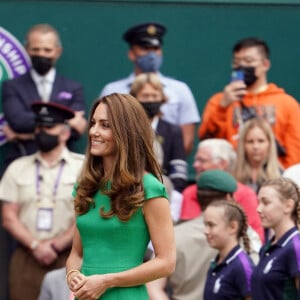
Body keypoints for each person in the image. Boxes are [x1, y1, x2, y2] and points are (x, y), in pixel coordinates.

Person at [65, 93, 176, 299]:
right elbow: (76, 254)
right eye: (93, 123)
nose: (94, 132)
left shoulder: (150, 188)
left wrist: (107, 280)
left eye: (105, 125)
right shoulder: (85, 186)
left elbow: (167, 262)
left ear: (126, 132)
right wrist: (72, 274)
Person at [0, 101, 84, 300]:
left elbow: (87, 214)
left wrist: (56, 246)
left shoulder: (84, 167)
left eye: (48, 127)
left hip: (70, 257)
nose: (41, 132)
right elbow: (8, 217)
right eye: (38, 127)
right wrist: (36, 246)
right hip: (27, 256)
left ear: (64, 133)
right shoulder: (17, 167)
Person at [151, 169, 260, 300]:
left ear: (197, 197)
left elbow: (153, 288)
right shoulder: (241, 232)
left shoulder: (174, 234)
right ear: (228, 198)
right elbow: (255, 281)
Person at [198, 37, 300, 168]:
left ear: (265, 65)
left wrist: (282, 179)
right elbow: (206, 139)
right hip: (232, 177)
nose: (242, 66)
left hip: (273, 176)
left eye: (248, 61)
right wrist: (222, 107)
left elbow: (295, 149)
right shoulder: (219, 101)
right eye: (236, 62)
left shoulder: (287, 103)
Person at [100, 22, 200, 154]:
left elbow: (186, 141)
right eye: (145, 48)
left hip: (165, 169)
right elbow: (102, 133)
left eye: (156, 49)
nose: (151, 54)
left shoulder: (180, 90)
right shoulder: (112, 91)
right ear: (131, 54)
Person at [1, 23, 87, 171]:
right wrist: (66, 120)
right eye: (36, 49)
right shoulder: (12, 86)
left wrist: (23, 135)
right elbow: (18, 122)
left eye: (47, 50)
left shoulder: (73, 88)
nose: (41, 54)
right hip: (22, 163)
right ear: (27, 50)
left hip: (64, 167)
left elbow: (75, 132)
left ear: (57, 52)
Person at [180, 138, 264, 242]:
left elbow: (256, 238)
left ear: (223, 164)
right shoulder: (189, 193)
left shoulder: (245, 194)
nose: (195, 165)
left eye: (202, 160)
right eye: (196, 160)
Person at [130, 72, 187, 193]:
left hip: (164, 190)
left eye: (155, 96)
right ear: (135, 98)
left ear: (162, 98)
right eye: (145, 96)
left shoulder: (173, 131)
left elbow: (178, 172)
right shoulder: (126, 128)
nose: (150, 100)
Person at [251, 177, 300, 300]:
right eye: (259, 202)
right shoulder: (268, 247)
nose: (258, 209)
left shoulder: (295, 246)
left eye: (266, 202)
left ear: (288, 206)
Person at [203, 200, 254, 300]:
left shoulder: (242, 266)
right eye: (205, 225)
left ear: (232, 227)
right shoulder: (216, 262)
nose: (206, 231)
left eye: (211, 225)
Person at [234, 118, 282, 193]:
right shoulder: (233, 175)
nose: (255, 146)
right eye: (250, 142)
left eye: (261, 141)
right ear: (243, 145)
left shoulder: (281, 176)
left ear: (269, 144)